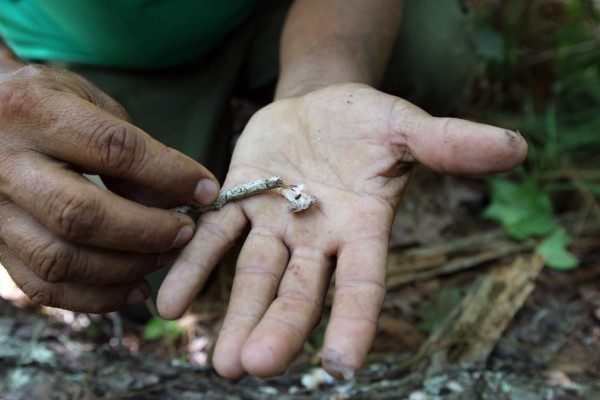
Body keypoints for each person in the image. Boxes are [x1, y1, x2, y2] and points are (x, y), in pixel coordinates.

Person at [0, 0, 527, 380]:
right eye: (300, 199)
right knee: (127, 262)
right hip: (76, 47)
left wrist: (320, 82)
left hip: (270, 14)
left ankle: (265, 104)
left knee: (432, 48)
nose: (303, 201)